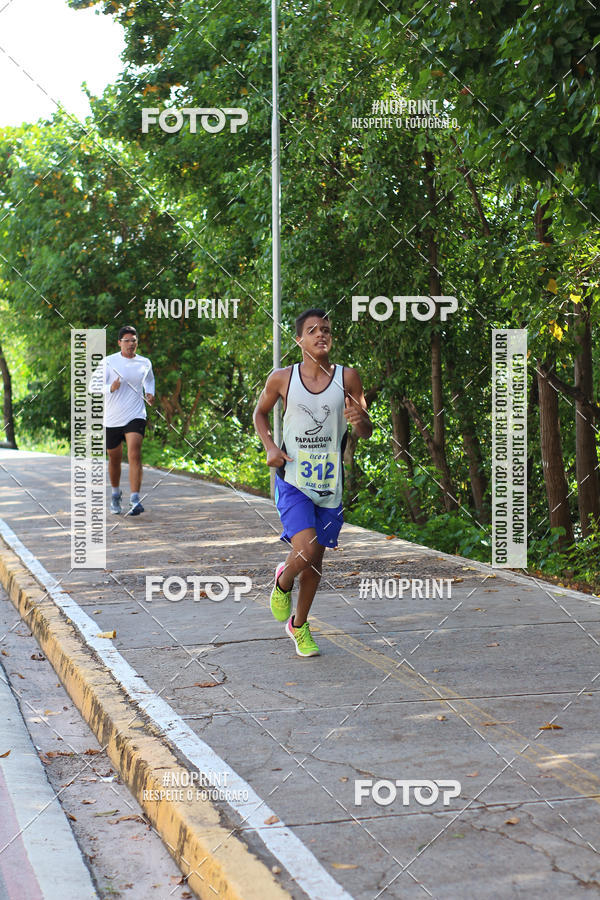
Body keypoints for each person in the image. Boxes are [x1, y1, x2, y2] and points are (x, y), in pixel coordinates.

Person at [253, 309, 372, 657]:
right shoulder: (282, 378)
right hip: (292, 479)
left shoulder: (348, 378)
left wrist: (360, 418)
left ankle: (299, 625)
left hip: (329, 485)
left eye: (326, 330)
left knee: (315, 563)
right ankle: (282, 579)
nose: (321, 335)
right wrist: (270, 446)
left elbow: (364, 430)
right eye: (312, 330)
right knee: (303, 552)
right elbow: (260, 413)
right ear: (299, 340)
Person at [90, 326, 155, 516]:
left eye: (133, 340)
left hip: (136, 415)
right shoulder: (108, 362)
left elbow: (149, 380)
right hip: (112, 418)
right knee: (115, 458)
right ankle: (116, 494)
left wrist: (150, 394)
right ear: (119, 343)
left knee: (134, 452)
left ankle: (135, 499)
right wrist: (111, 387)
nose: (130, 344)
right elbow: (92, 387)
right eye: (126, 340)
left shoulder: (144, 362)